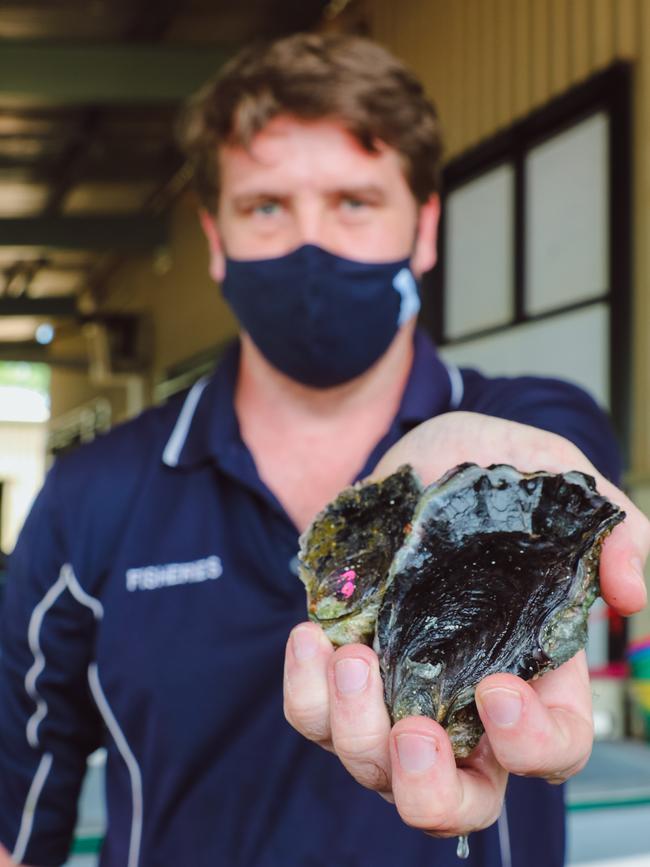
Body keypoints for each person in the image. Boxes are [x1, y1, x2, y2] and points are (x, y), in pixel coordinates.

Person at [0, 32, 647, 867]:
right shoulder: (94, 493)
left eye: (354, 201)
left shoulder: (513, 417)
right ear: (215, 238)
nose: (312, 248)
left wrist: (545, 486)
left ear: (424, 228)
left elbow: (565, 450)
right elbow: (15, 800)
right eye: (267, 206)